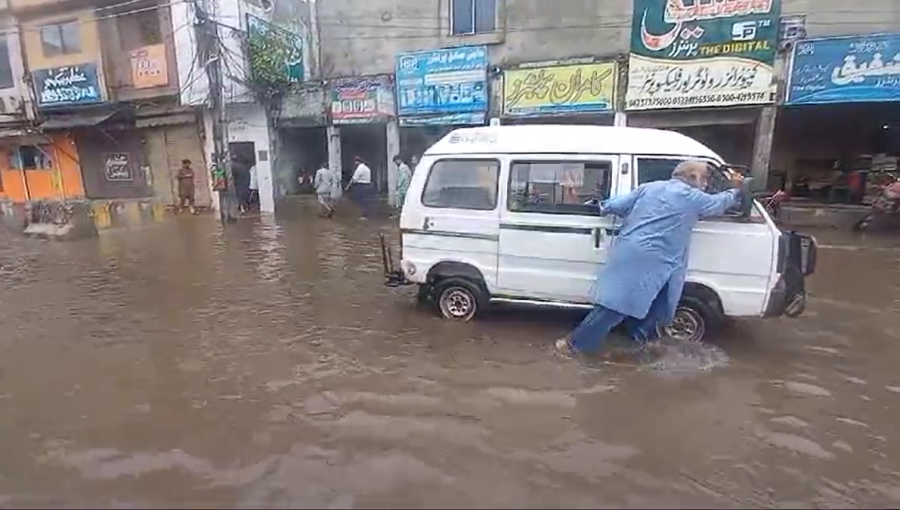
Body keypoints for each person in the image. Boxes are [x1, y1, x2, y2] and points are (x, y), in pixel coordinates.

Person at [555, 160, 745, 357]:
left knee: (661, 306)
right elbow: (721, 203)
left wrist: (601, 206)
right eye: (705, 179)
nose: (705, 184)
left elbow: (616, 205)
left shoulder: (649, 188)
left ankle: (639, 343)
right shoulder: (694, 197)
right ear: (693, 178)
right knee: (616, 307)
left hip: (639, 253)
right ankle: (573, 345)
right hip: (650, 258)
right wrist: (736, 188)